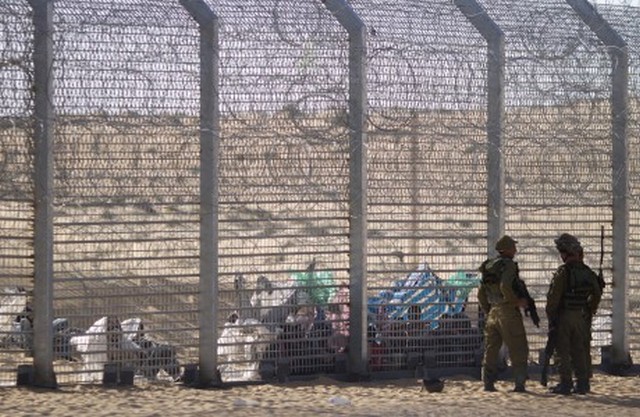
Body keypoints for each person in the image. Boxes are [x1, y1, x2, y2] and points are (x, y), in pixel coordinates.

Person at [546, 233, 602, 395]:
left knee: (562, 350)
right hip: (581, 316)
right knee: (580, 349)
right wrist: (589, 309)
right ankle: (583, 383)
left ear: (565, 253)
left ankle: (566, 383)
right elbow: (596, 294)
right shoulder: (587, 272)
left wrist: (552, 316)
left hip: (564, 316)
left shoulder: (563, 272)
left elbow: (553, 298)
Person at [478, 235, 530, 392]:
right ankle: (519, 384)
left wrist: (489, 310)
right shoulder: (508, 265)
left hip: (493, 312)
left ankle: (488, 383)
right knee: (518, 347)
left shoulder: (488, 265)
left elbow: (480, 293)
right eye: (513, 247)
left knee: (491, 349)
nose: (515, 249)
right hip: (507, 311)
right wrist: (516, 302)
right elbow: (505, 286)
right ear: (507, 249)